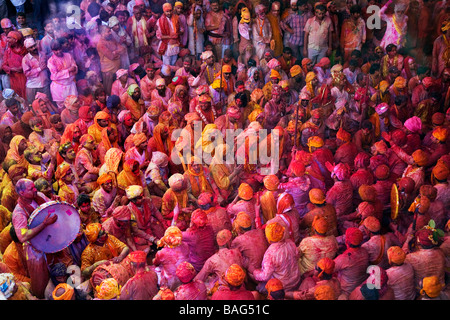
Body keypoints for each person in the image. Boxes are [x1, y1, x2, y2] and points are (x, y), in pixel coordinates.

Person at [11, 178, 55, 298]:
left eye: (34, 187)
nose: (35, 189)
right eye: (31, 189)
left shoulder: (39, 195)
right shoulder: (19, 213)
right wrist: (44, 224)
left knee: (59, 270)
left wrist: (55, 205)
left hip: (51, 239)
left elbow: (51, 206)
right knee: (42, 281)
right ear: (22, 193)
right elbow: (23, 236)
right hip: (36, 251)